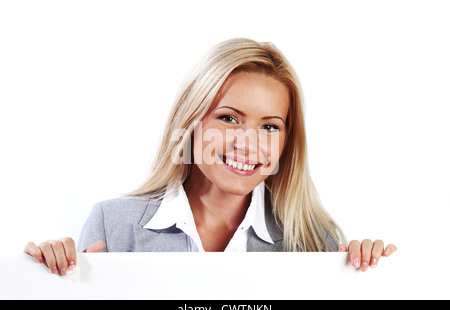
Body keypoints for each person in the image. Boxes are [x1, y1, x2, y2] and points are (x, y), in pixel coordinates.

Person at [24, 38, 396, 275]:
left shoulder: (316, 243)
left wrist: (374, 278)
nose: (248, 143)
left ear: (285, 142)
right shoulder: (112, 225)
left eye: (269, 126)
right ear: (191, 122)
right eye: (229, 118)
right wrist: (49, 283)